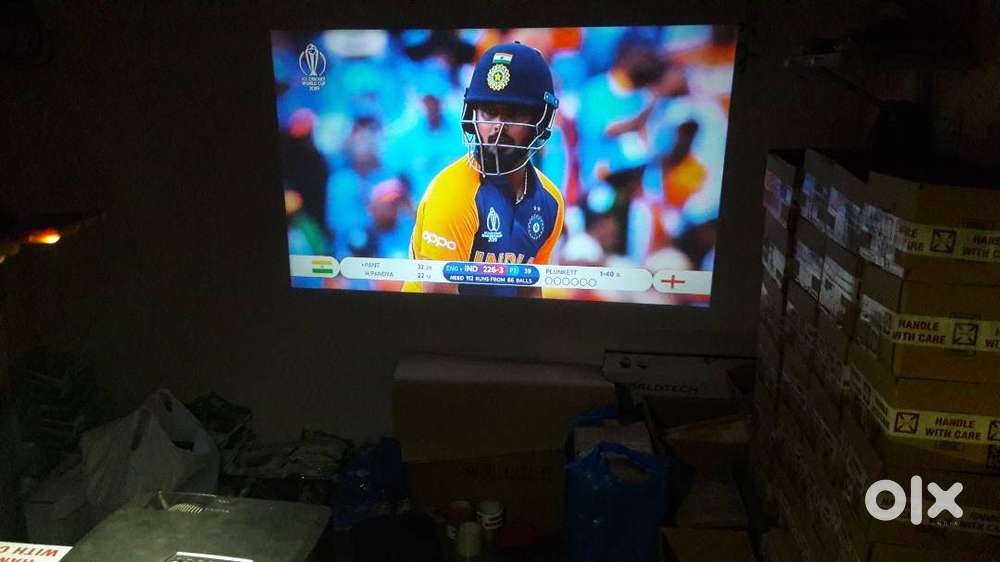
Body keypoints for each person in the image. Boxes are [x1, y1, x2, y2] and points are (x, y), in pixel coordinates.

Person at [401, 42, 564, 296]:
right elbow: (437, 308)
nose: (498, 127)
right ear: (472, 116)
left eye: (514, 114)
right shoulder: (452, 194)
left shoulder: (550, 201)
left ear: (540, 122)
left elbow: (530, 293)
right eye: (488, 112)